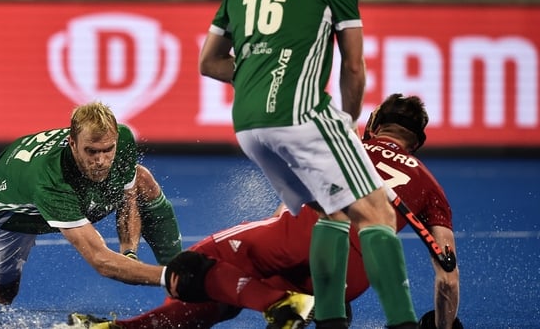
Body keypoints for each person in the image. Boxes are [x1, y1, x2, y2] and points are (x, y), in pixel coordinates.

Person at [197, 0, 418, 328]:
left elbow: (209, 62)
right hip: (301, 116)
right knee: (378, 213)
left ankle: (330, 320)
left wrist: (255, 72)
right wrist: (348, 122)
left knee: (331, 210)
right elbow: (354, 65)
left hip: (249, 126)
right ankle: (405, 324)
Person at [69, 94, 462, 329]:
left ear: (372, 123)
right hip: (357, 275)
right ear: (418, 143)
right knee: (233, 291)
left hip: (308, 233)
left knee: (201, 265)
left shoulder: (348, 147)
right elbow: (447, 280)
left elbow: (291, 203)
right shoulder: (431, 187)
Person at [0, 101, 182, 307]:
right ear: (73, 144)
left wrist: (130, 254)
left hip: (61, 191)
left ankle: (182, 285)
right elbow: (101, 261)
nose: (101, 160)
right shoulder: (50, 181)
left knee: (142, 180)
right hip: (9, 210)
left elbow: (129, 199)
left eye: (107, 150)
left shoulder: (122, 139)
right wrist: (166, 276)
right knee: (0, 292)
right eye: (91, 151)